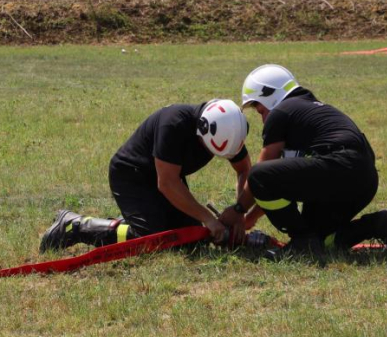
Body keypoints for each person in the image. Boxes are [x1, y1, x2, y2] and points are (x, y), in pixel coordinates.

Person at [225, 65, 387, 260]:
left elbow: (260, 177)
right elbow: (276, 185)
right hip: (364, 176)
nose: (263, 119)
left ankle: (301, 242)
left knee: (259, 174)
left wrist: (238, 211)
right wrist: (249, 220)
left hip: (339, 166)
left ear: (269, 95)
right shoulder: (311, 108)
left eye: (260, 111)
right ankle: (381, 224)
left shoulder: (281, 112)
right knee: (319, 239)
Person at [40, 99, 251, 252]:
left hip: (167, 178)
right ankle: (75, 225)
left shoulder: (228, 129)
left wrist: (239, 211)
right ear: (202, 130)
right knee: (151, 239)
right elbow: (167, 183)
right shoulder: (174, 124)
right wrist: (208, 218)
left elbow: (244, 170)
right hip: (132, 175)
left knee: (188, 240)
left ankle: (139, 218)